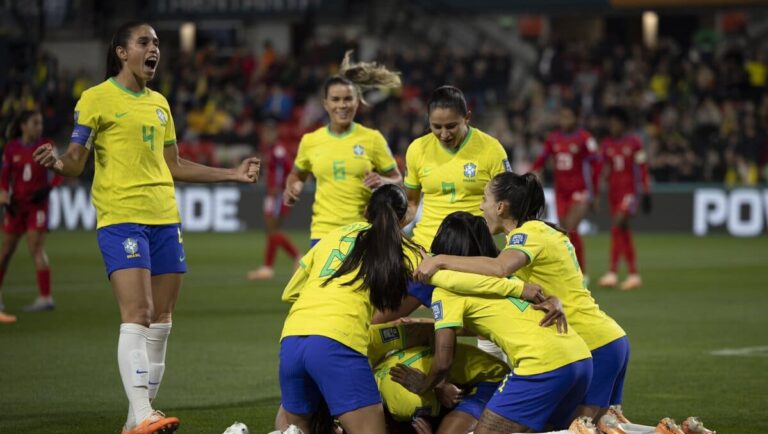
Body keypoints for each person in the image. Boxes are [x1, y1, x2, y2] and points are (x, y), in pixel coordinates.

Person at [33, 22, 260, 434]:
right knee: (138, 313)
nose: (154, 49)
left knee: (163, 321)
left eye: (156, 43)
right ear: (122, 52)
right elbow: (75, 160)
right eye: (144, 42)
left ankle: (136, 417)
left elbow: (174, 165)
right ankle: (142, 412)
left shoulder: (160, 104)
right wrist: (57, 162)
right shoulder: (96, 98)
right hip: (121, 218)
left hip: (164, 218)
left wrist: (233, 173)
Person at [414, 173, 630, 428]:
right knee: (580, 428)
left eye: (484, 199)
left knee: (575, 429)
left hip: (589, 342)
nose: (481, 206)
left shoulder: (528, 234)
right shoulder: (539, 232)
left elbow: (499, 268)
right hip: (598, 340)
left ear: (501, 207)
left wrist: (439, 260)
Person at [392, 211, 593, 433]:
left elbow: (443, 361)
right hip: (580, 357)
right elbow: (502, 317)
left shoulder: (446, 290)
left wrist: (424, 385)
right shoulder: (507, 278)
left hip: (542, 366)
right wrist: (555, 301)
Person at [277, 184, 420, 434]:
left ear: (366, 211)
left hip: (291, 339)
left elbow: (290, 293)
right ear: (404, 218)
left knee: (295, 428)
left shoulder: (333, 236)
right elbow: (430, 282)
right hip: (337, 342)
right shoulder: (405, 250)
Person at [403, 85, 510, 360]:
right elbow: (412, 203)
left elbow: (507, 204)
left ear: (468, 117)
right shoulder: (417, 149)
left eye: (451, 126)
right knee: (380, 316)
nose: (443, 134)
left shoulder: (490, 149)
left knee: (487, 327)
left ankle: (493, 383)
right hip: (425, 254)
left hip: (473, 255)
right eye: (435, 126)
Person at [283, 51, 402, 247]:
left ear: (357, 102)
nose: (342, 105)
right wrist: (293, 186)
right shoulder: (311, 141)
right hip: (322, 233)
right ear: (326, 104)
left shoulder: (372, 139)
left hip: (362, 232)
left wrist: (383, 181)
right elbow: (297, 175)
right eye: (336, 99)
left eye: (348, 99)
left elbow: (398, 180)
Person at [369, 322, 510, 434]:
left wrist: (438, 383)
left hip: (491, 378)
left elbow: (437, 330)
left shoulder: (406, 403)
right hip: (470, 371)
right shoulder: (372, 376)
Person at [0, 110, 61, 322]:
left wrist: (49, 188)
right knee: (6, 251)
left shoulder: (47, 145)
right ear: (24, 126)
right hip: (16, 206)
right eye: (35, 123)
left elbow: (61, 170)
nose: (39, 127)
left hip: (38, 206)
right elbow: (4, 176)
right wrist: (4, 198)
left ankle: (45, 297)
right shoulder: (11, 148)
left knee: (36, 247)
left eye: (41, 123)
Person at [531, 104, 599, 283]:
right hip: (561, 193)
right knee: (565, 233)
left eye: (568, 117)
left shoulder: (584, 138)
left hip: (579, 191)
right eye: (562, 116)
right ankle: (570, 271)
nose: (564, 120)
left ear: (576, 118)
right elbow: (541, 160)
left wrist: (594, 193)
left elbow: (596, 165)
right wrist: (533, 173)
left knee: (572, 229)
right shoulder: (553, 139)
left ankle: (582, 273)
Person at [596, 106, 651, 291]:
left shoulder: (635, 143)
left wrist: (646, 190)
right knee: (624, 233)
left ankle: (612, 272)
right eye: (611, 123)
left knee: (617, 226)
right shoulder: (607, 145)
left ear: (623, 124)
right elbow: (601, 168)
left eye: (616, 122)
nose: (612, 126)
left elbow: (642, 167)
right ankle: (634, 275)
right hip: (614, 193)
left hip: (630, 192)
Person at [247, 121, 300, 280]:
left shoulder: (277, 151)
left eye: (268, 132)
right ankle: (268, 268)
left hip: (277, 195)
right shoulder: (273, 150)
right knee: (271, 231)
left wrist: (276, 190)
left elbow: (282, 172)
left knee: (272, 229)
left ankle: (297, 257)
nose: (265, 135)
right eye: (264, 132)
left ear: (274, 133)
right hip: (275, 194)